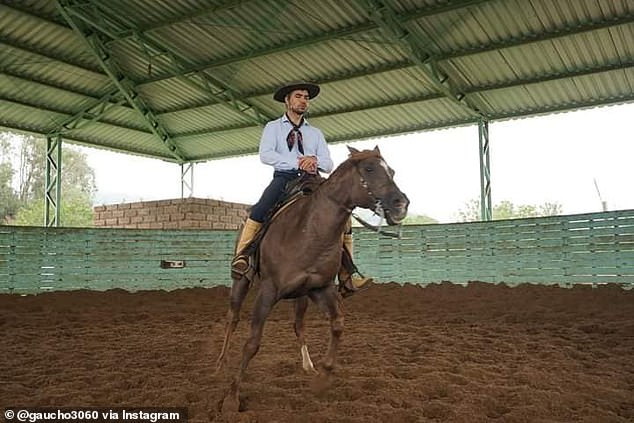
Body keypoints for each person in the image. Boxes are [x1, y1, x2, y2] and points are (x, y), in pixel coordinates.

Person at [231, 81, 372, 293]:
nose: (303, 101)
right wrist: (298, 161)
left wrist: (314, 161)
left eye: (306, 97)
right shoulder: (273, 127)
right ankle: (243, 257)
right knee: (261, 208)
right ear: (287, 101)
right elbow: (266, 155)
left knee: (344, 217)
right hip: (285, 178)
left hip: (313, 180)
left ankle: (346, 273)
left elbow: (328, 163)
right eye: (298, 96)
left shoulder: (315, 133)